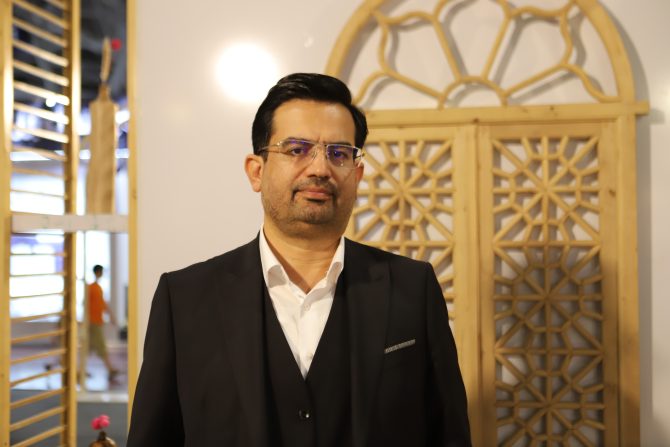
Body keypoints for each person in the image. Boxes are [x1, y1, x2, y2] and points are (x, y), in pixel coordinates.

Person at [127, 73, 471, 446]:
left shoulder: (412, 288)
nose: (320, 169)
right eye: (296, 150)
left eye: (338, 153)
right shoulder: (185, 299)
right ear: (256, 172)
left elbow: (448, 434)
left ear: (356, 175)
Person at [87, 264, 119, 382]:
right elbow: (86, 305)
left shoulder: (98, 288)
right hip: (93, 323)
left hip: (96, 321)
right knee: (100, 346)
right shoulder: (91, 288)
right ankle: (110, 369)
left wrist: (111, 316)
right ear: (98, 272)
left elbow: (102, 304)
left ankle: (76, 369)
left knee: (88, 348)